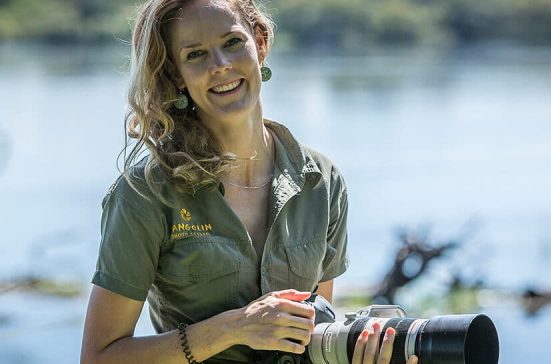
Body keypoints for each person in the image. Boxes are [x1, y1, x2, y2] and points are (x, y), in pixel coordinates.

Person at [80, 0, 420, 363]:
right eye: (195, 54)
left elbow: (314, 339)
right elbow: (99, 356)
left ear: (259, 43)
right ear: (176, 73)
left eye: (232, 43)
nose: (221, 66)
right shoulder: (145, 192)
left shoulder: (321, 181)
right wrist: (234, 328)